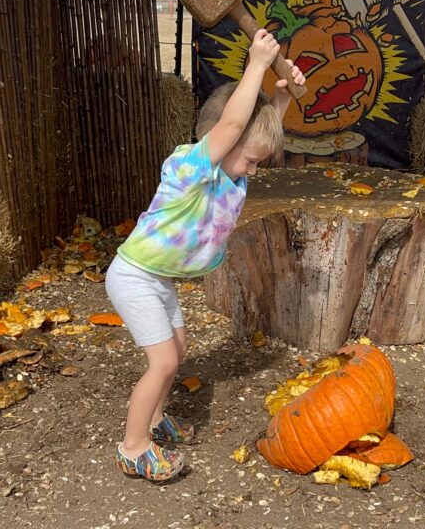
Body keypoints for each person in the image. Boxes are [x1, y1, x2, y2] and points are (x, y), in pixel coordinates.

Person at [105, 30, 305, 482]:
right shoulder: (190, 168)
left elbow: (257, 127)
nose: (254, 170)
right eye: (252, 161)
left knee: (178, 349)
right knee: (165, 362)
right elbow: (235, 127)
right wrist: (256, 64)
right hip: (134, 276)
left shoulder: (233, 168)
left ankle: (156, 422)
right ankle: (133, 446)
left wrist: (284, 93)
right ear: (219, 142)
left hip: (158, 278)